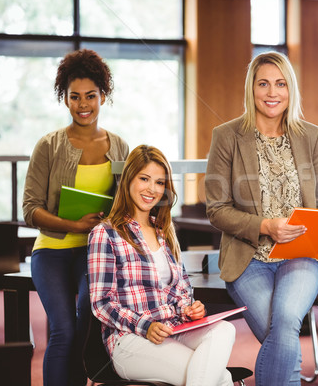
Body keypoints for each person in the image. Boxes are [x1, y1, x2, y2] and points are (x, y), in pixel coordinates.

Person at [205, 51, 318, 386]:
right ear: (251, 88)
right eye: (264, 84)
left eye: (281, 84)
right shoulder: (226, 136)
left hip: (300, 254)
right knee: (282, 335)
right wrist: (266, 226)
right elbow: (216, 208)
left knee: (284, 320)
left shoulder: (310, 135)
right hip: (248, 260)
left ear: (291, 89)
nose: (272, 92)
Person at [22, 49, 129, 386]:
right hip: (51, 251)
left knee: (87, 321)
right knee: (63, 329)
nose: (83, 104)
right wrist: (74, 225)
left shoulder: (120, 147)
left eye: (91, 96)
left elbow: (127, 203)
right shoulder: (49, 146)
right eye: (74, 97)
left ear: (103, 96)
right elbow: (30, 209)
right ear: (64, 99)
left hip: (95, 252)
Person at [88, 145, 236, 385]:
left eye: (159, 182)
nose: (152, 189)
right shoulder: (105, 233)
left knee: (225, 330)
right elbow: (102, 303)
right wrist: (145, 326)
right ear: (127, 180)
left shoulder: (164, 231)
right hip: (130, 340)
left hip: (174, 330)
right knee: (221, 377)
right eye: (144, 179)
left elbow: (182, 291)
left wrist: (189, 309)